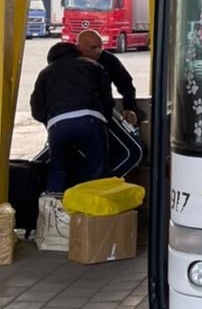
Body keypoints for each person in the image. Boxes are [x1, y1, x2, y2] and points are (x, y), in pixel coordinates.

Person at [30, 42, 114, 193]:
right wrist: (104, 118)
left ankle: (54, 203)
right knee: (98, 170)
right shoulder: (93, 66)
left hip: (58, 123)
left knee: (57, 169)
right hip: (91, 118)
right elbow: (107, 99)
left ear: (51, 58)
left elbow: (36, 108)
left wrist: (50, 122)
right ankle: (97, 205)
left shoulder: (45, 73)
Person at [76, 30, 139, 125]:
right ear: (78, 48)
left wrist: (129, 107)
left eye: (100, 47)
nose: (98, 51)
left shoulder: (109, 60)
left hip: (103, 114)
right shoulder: (68, 63)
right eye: (93, 47)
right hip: (75, 113)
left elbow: (125, 84)